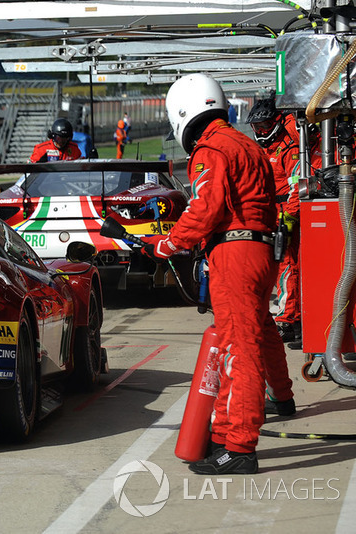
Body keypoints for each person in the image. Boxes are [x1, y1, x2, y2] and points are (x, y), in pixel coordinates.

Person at [141, 73, 293, 475]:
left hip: (235, 254)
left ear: (184, 112)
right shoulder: (248, 143)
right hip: (262, 250)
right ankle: (249, 419)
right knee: (258, 332)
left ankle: (239, 446)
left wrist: (168, 244)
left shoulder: (212, 149)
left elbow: (204, 210)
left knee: (236, 349)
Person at [246, 95, 302, 348]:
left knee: (288, 266)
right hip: (272, 215)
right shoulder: (264, 149)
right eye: (257, 128)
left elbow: (298, 185)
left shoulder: (289, 148)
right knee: (280, 268)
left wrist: (288, 217)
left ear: (278, 122)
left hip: (287, 216)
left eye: (265, 127)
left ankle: (288, 320)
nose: (261, 132)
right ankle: (291, 316)